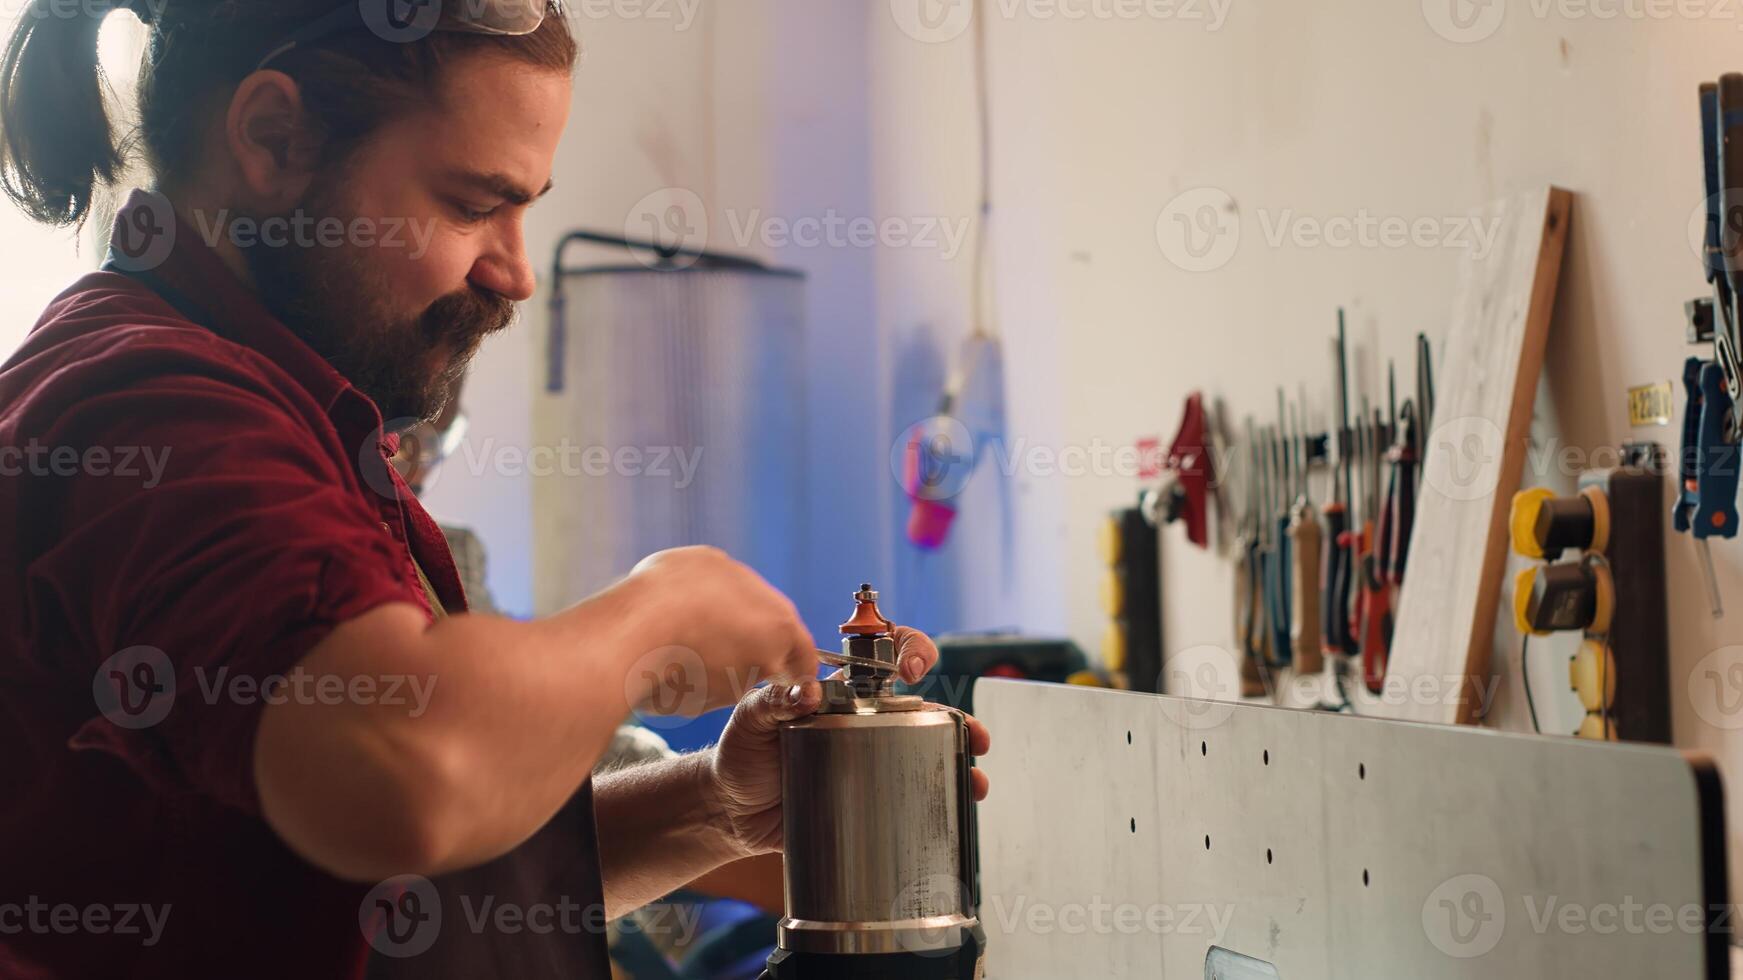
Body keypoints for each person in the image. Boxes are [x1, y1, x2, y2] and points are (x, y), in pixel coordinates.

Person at [0, 2, 990, 978]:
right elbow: (404, 769)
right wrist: (652, 618)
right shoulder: (153, 409)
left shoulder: (301, 414)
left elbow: (413, 892)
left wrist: (715, 805)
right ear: (273, 138)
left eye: (527, 206)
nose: (516, 271)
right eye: (476, 203)